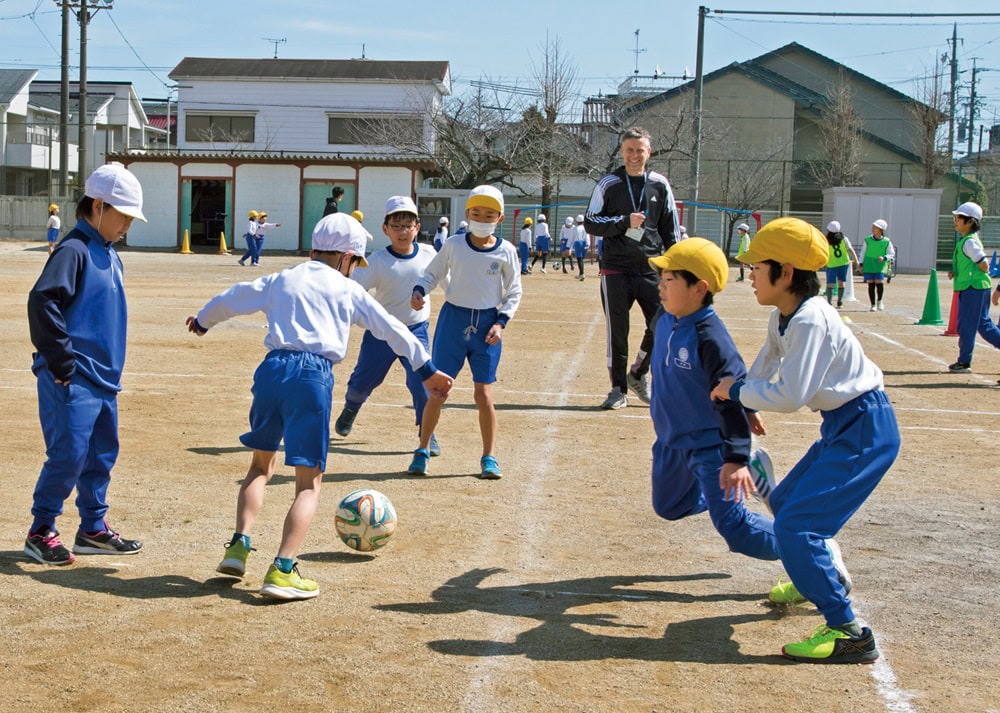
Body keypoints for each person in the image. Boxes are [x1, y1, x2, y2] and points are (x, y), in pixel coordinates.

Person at [187, 212, 453, 600]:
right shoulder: (347, 290)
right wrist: (426, 368)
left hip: (271, 370)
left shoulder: (282, 277)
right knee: (308, 484)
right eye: (355, 262)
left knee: (260, 466)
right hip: (312, 376)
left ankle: (239, 546)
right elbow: (391, 327)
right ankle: (282, 569)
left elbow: (234, 297)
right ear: (347, 257)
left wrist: (204, 321)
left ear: (314, 248)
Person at [710, 216, 900, 664]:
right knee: (789, 500)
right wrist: (746, 397)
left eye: (758, 267)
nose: (750, 274)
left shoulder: (811, 319)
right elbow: (764, 366)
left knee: (797, 525)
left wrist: (736, 392)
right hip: (844, 426)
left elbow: (791, 394)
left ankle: (849, 631)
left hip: (865, 429)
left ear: (786, 273)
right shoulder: (785, 316)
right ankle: (810, 572)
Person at [646, 237, 785, 617]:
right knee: (669, 507)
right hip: (672, 441)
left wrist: (737, 455)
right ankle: (749, 485)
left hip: (712, 448)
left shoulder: (711, 337)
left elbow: (732, 392)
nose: (660, 283)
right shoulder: (665, 318)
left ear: (699, 288)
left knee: (736, 529)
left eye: (669, 278)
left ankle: (805, 546)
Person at [24, 162, 148, 565]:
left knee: (100, 454)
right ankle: (41, 529)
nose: (127, 225)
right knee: (68, 453)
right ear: (98, 206)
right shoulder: (74, 249)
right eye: (124, 216)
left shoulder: (109, 253)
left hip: (104, 378)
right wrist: (61, 363)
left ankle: (92, 528)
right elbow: (43, 301)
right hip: (72, 376)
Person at [408, 185, 522, 479]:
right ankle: (422, 449)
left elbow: (514, 291)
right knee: (438, 390)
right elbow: (432, 272)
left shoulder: (507, 251)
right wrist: (421, 289)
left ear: (499, 218)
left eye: (488, 214)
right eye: (475, 213)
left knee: (483, 394)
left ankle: (489, 457)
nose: (481, 218)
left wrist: (501, 322)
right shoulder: (455, 245)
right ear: (467, 214)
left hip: (487, 326)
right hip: (453, 321)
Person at [334, 196, 443, 455]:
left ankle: (426, 433)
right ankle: (351, 407)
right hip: (381, 332)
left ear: (417, 227)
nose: (403, 231)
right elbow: (353, 288)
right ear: (385, 229)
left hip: (416, 330)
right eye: (396, 225)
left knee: (422, 383)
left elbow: (441, 278)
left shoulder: (429, 254)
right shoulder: (377, 260)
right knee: (362, 383)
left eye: (408, 225)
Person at [585, 126, 679, 410]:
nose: (635, 156)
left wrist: (675, 266)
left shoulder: (660, 185)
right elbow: (590, 222)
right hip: (616, 269)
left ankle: (638, 372)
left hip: (651, 268)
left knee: (664, 323)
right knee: (618, 331)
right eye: (629, 150)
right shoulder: (609, 184)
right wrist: (624, 222)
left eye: (640, 150)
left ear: (649, 152)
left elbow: (670, 230)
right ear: (622, 152)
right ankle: (617, 389)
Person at [948, 202, 1000, 373]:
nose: (955, 221)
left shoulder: (969, 242)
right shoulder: (966, 240)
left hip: (974, 288)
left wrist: (981, 271)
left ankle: (964, 362)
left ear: (970, 221)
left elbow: (982, 262)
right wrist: (956, 272)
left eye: (959, 218)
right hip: (972, 286)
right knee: (977, 324)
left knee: (973, 325)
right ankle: (963, 360)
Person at [859, 219, 894, 311]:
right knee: (870, 283)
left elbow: (891, 253)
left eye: (875, 228)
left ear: (881, 230)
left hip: (880, 264)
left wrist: (884, 257)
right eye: (873, 227)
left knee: (879, 282)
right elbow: (863, 252)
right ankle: (872, 304)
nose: (873, 229)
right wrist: (861, 263)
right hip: (869, 263)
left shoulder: (886, 241)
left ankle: (879, 301)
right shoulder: (867, 240)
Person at [824, 220, 859, 309]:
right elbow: (851, 250)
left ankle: (829, 302)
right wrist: (856, 260)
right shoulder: (844, 239)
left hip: (832, 264)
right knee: (841, 282)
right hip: (843, 263)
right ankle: (840, 301)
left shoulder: (826, 240)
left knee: (830, 284)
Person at [571, 214, 589, 281]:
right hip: (584, 243)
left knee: (579, 259)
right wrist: (588, 244)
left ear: (576, 221)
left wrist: (569, 246)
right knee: (581, 259)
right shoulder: (585, 228)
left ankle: (581, 274)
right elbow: (587, 236)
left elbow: (572, 238)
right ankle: (581, 273)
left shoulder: (575, 228)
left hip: (578, 243)